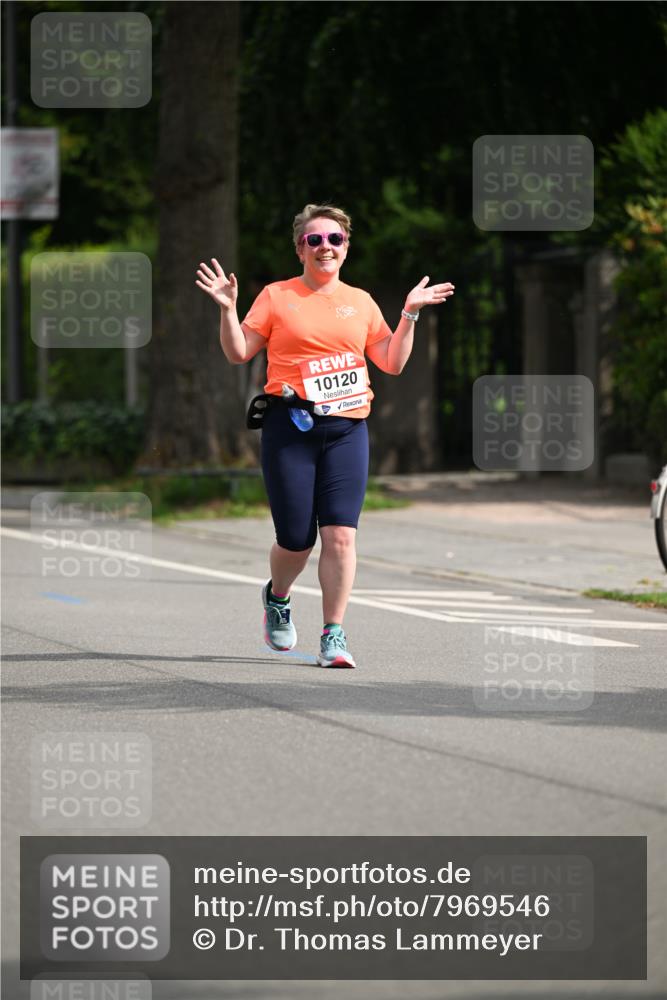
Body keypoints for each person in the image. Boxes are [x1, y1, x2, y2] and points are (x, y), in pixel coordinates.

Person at [195, 203, 454, 668]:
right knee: (297, 539)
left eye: (334, 240)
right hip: (289, 427)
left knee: (340, 535)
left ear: (346, 246)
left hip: (347, 429)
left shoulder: (362, 301)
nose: (325, 248)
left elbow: (392, 362)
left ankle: (333, 635)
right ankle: (278, 596)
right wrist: (228, 310)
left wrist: (410, 315)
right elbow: (238, 354)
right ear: (300, 249)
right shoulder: (276, 296)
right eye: (314, 240)